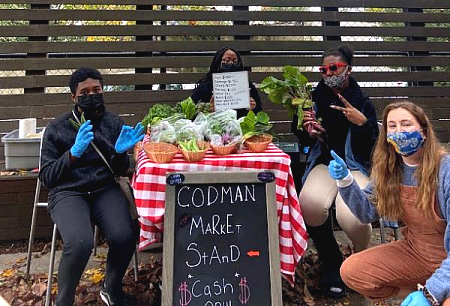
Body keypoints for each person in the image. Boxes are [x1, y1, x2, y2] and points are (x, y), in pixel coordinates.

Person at [39, 67, 144, 306]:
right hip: (68, 192)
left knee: (124, 235)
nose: (91, 95)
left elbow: (117, 170)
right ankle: (63, 301)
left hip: (102, 189)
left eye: (96, 90)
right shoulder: (57, 128)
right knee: (79, 243)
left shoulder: (113, 122)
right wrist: (72, 155)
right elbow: (47, 177)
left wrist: (121, 153)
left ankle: (112, 289)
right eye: (84, 92)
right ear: (73, 97)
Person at [328, 101, 450, 306]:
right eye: (392, 126)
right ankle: (419, 291)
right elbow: (367, 212)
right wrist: (346, 181)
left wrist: (431, 294)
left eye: (406, 124)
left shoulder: (445, 170)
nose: (399, 131)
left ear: (424, 131)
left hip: (447, 258)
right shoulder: (390, 168)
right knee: (353, 271)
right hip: (416, 253)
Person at [291, 44, 379, 298]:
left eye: (334, 68)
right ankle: (332, 259)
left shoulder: (362, 101)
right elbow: (302, 138)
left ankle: (361, 260)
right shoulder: (313, 99)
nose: (329, 73)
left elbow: (373, 147)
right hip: (326, 163)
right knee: (309, 203)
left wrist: (362, 123)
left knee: (352, 215)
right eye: (323, 69)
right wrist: (307, 132)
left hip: (355, 165)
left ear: (348, 69)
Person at [191, 46, 262, 118]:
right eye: (227, 61)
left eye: (235, 61)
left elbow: (259, 112)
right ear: (218, 63)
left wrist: (253, 109)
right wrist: (209, 111)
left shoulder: (247, 86)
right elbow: (193, 114)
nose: (231, 64)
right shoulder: (205, 87)